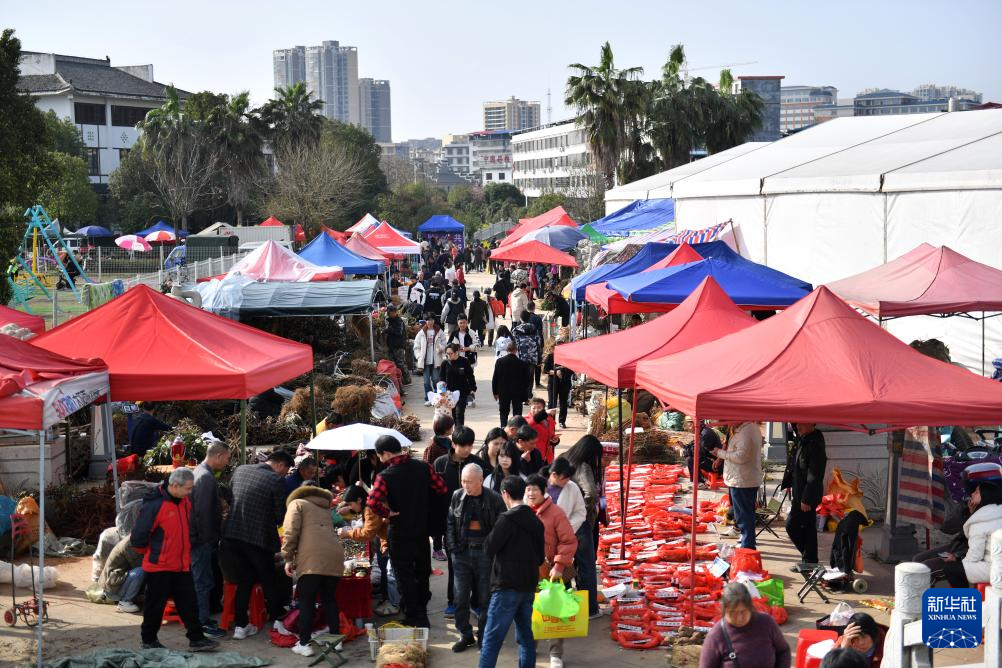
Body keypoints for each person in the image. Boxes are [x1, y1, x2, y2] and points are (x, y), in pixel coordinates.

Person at [131, 467, 219, 652]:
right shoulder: (155, 505)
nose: (190, 492)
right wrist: (154, 553)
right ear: (174, 485)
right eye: (188, 488)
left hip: (181, 564)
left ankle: (196, 638)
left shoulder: (184, 501)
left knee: (189, 603)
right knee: (155, 606)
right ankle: (148, 640)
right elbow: (138, 537)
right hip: (159, 566)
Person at [367, 435, 450, 628]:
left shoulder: (385, 476)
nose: (380, 459)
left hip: (399, 531)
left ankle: (413, 615)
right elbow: (441, 488)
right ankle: (422, 613)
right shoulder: (423, 467)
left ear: (385, 454)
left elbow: (372, 501)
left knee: (404, 576)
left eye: (380, 456)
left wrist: (387, 513)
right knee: (422, 572)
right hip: (421, 530)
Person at [221, 450, 293, 639]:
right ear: (280, 465)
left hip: (232, 534)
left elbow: (230, 498)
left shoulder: (241, 470)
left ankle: (240, 626)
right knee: (269, 579)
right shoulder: (276, 480)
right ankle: (278, 621)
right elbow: (280, 515)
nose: (285, 475)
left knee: (244, 580)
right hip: (258, 538)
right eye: (286, 471)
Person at [478, 476, 545, 668]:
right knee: (526, 637)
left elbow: (488, 547)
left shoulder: (506, 519)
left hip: (506, 586)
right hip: (528, 586)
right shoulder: (536, 521)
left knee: (491, 639)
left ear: (505, 494)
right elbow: (540, 558)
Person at [280, 484, 344, 657]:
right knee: (329, 599)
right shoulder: (324, 507)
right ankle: (335, 641)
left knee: (306, 601)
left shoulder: (297, 503)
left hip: (312, 558)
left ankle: (304, 644)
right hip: (334, 555)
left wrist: (287, 557)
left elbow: (290, 531)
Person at [447, 463, 507, 651]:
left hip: (485, 554)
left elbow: (501, 528)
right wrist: (452, 547)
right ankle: (465, 634)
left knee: (485, 598)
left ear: (481, 480)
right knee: (460, 597)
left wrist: (493, 551)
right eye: (463, 481)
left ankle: (483, 635)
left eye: (469, 482)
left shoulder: (495, 499)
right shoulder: (457, 495)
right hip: (462, 553)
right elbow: (450, 522)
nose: (465, 485)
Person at [524, 473, 577, 668]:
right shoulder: (524, 512)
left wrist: (559, 565)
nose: (531, 493)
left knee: (556, 612)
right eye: (528, 489)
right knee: (531, 612)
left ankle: (556, 654)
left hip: (554, 572)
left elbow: (569, 541)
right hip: (531, 572)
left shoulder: (556, 513)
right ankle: (531, 646)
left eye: (535, 489)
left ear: (544, 491)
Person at [546, 457, 600, 619]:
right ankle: (566, 610)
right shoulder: (540, 488)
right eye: (564, 478)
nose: (567, 481)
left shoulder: (572, 487)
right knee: (561, 570)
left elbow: (581, 511)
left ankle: (589, 609)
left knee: (586, 567)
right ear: (554, 475)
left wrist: (567, 528)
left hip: (577, 530)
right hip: (553, 536)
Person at [189, 440, 231, 638]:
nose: (227, 463)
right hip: (201, 539)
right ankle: (201, 623)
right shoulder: (206, 477)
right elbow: (203, 513)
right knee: (202, 581)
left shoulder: (200, 472)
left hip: (199, 538)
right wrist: (209, 540)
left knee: (202, 579)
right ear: (219, 456)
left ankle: (202, 618)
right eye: (227, 458)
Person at [698, 582, 790, 668]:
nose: (739, 618)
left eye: (743, 612)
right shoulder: (716, 636)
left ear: (750, 607)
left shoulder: (766, 623)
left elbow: (783, 651)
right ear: (724, 610)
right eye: (733, 612)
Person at [337, 485, 398, 616]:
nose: (350, 507)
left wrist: (347, 534)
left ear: (359, 500)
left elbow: (367, 533)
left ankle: (394, 603)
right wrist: (350, 509)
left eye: (350, 504)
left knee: (390, 573)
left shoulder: (370, 508)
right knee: (385, 569)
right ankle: (387, 597)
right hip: (386, 537)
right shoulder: (368, 504)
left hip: (391, 538)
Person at [562, 435, 603, 615]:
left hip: (561, 520)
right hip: (580, 523)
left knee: (563, 563)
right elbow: (591, 493)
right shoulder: (582, 466)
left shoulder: (563, 458)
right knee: (586, 565)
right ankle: (589, 609)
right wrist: (584, 510)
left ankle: (566, 605)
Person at [782, 424, 828, 571]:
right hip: (799, 492)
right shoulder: (804, 437)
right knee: (807, 527)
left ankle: (810, 560)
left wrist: (807, 499)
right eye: (797, 424)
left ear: (812, 423)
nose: (798, 427)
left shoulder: (815, 443)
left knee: (792, 525)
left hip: (807, 495)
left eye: (801, 424)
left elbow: (815, 475)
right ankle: (809, 560)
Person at [712, 422, 763, 549]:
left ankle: (747, 546)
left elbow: (741, 457)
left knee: (744, 516)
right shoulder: (743, 429)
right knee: (744, 514)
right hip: (740, 478)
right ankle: (747, 542)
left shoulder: (747, 431)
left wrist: (720, 453)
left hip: (742, 480)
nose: (726, 422)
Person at [946, 481, 1002, 587]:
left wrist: (958, 560)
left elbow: (975, 556)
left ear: (985, 497)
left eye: (976, 492)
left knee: (951, 569)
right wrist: (972, 514)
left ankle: (964, 597)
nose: (972, 494)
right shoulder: (996, 513)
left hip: (996, 569)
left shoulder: (979, 522)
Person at [99, 535, 144, 613]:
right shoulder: (129, 545)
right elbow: (141, 565)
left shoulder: (134, 539)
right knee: (141, 571)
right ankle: (125, 602)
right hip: (112, 589)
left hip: (115, 583)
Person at [440, 343, 476, 426]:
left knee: (459, 414)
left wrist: (473, 388)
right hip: (449, 393)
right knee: (452, 415)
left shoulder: (465, 361)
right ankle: (456, 430)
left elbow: (470, 376)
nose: (448, 355)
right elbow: (441, 379)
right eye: (447, 353)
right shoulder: (444, 363)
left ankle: (459, 431)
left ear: (457, 352)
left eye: (450, 353)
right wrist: (442, 391)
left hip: (462, 393)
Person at [493, 341, 528, 428]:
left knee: (503, 412)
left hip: (503, 391)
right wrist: (525, 396)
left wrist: (495, 392)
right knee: (517, 413)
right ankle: (517, 429)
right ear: (516, 350)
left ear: (506, 349)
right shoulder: (522, 363)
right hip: (518, 392)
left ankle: (503, 428)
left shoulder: (500, 361)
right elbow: (526, 381)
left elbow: (495, 378)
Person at [414, 317, 447, 399]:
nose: (430, 322)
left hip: (436, 360)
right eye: (428, 320)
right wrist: (419, 356)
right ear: (426, 321)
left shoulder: (439, 331)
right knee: (426, 382)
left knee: (436, 380)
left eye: (431, 320)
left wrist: (441, 348)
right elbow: (416, 346)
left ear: (434, 321)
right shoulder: (421, 332)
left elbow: (445, 344)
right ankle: (429, 397)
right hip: (425, 362)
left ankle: (437, 396)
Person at [543, 340, 573, 428]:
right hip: (553, 383)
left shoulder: (568, 357)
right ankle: (550, 421)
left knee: (563, 403)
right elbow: (545, 370)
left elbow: (572, 370)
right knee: (552, 403)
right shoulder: (550, 356)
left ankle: (562, 421)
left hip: (565, 383)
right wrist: (555, 372)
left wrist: (564, 370)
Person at [683, 415, 722, 483]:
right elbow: (695, 446)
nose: (688, 428)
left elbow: (699, 453)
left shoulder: (706, 434)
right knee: (689, 456)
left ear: (693, 423)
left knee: (690, 459)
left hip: (717, 465)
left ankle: (699, 482)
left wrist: (686, 450)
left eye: (688, 425)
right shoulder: (702, 431)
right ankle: (698, 481)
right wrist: (684, 447)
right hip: (712, 460)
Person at [513, 311, 541, 399]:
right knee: (530, 376)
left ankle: (522, 394)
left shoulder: (516, 329)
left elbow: (514, 344)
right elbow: (538, 343)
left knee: (521, 376)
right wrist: (539, 358)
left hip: (520, 357)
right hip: (532, 356)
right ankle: (529, 394)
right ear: (529, 318)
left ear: (521, 318)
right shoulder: (534, 329)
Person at [385, 304, 412, 385]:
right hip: (392, 345)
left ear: (395, 312)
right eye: (389, 312)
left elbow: (398, 332)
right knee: (393, 363)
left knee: (400, 363)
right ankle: (397, 380)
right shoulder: (391, 321)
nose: (389, 314)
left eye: (391, 312)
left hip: (398, 346)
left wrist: (388, 330)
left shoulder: (398, 321)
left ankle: (407, 380)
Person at [528, 397, 559, 464]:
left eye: (539, 408)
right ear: (530, 409)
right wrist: (544, 413)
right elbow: (532, 422)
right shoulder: (527, 420)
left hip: (547, 457)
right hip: (533, 457)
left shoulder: (549, 420)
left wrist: (555, 440)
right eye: (533, 408)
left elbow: (551, 436)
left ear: (543, 408)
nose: (536, 410)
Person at [525, 302, 545, 388]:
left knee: (528, 364)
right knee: (538, 363)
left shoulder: (524, 317)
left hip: (526, 344)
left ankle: (528, 383)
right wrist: (541, 344)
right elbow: (540, 332)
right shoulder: (537, 318)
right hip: (537, 344)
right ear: (534, 308)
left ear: (527, 307)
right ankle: (537, 382)